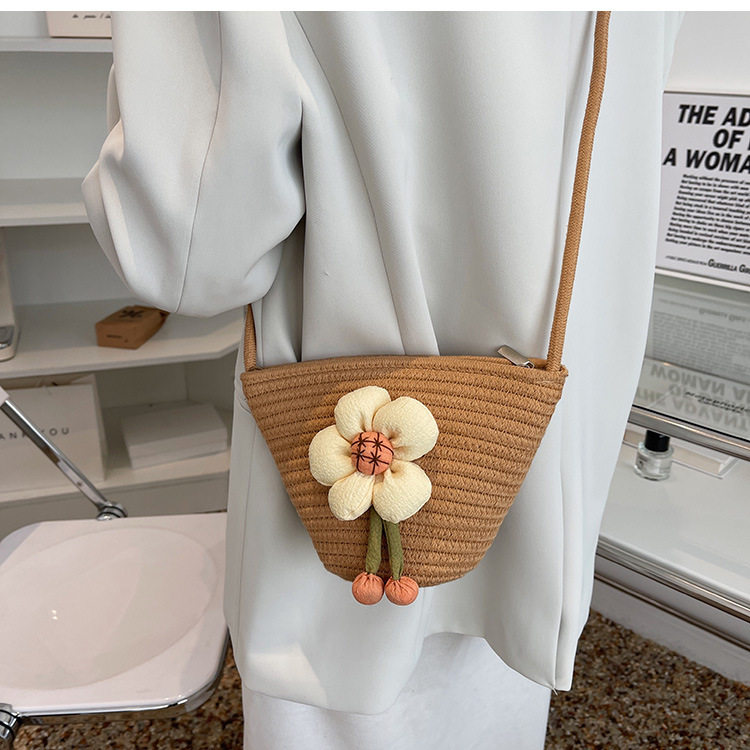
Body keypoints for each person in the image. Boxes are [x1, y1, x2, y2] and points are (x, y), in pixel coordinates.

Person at [83, 11, 682, 749]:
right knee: (494, 687)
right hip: (554, 439)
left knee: (343, 697)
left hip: (330, 524)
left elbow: (183, 252)